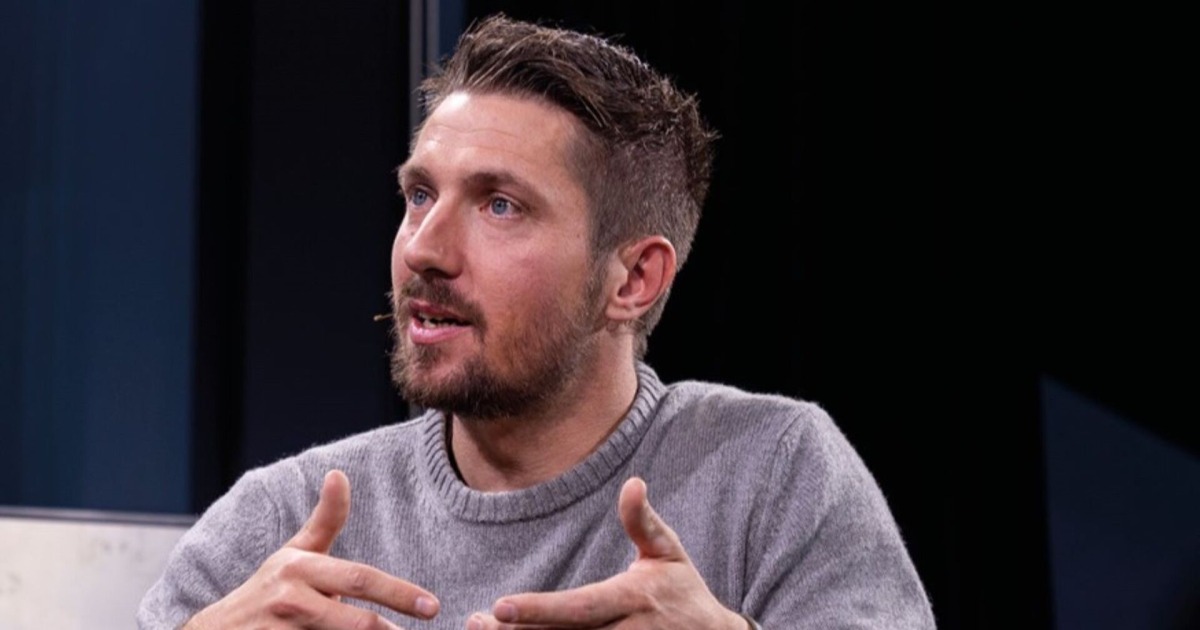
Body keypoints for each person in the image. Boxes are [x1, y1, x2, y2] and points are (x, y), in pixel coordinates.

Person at [138, 13, 935, 630]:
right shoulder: (284, 521)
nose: (424, 249)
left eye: (500, 205)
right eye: (420, 194)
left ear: (634, 279)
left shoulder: (773, 474)